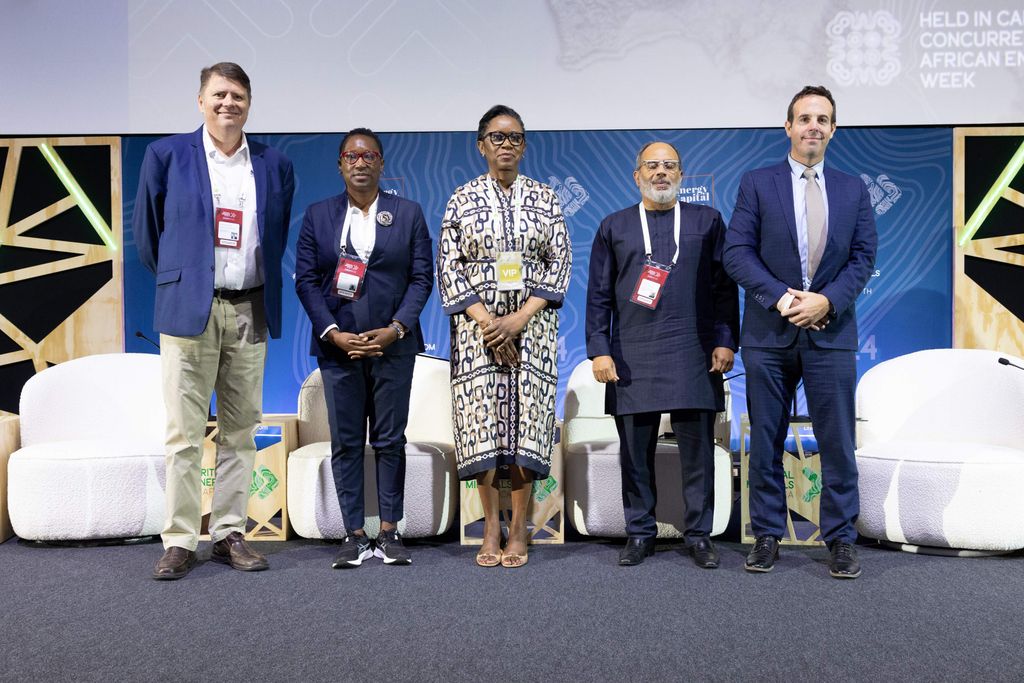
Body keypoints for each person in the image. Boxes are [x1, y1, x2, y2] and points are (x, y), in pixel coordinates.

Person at [133, 62, 295, 580]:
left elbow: (274, 237)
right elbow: (148, 237)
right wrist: (187, 281)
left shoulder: (273, 164)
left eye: (238, 96)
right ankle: (180, 539)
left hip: (250, 307)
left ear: (249, 104)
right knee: (183, 433)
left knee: (240, 430)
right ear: (201, 101)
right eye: (219, 94)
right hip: (188, 309)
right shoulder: (166, 155)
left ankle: (228, 533)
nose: (229, 104)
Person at [723, 85, 878, 579]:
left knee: (837, 443)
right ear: (788, 126)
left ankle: (841, 539)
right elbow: (737, 253)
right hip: (769, 335)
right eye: (805, 118)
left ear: (833, 129)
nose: (814, 126)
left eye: (822, 119)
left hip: (832, 333)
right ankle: (767, 534)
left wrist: (827, 301)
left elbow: (863, 257)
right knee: (765, 441)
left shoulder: (853, 189)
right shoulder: (757, 183)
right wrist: (785, 298)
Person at [586, 142, 739, 567]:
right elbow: (598, 295)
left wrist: (725, 339)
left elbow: (724, 288)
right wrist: (599, 350)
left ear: (681, 176)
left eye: (669, 166)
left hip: (695, 351)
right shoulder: (614, 226)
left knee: (698, 454)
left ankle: (699, 535)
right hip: (632, 354)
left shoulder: (707, 221)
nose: (661, 173)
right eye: (652, 166)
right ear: (637, 176)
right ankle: (639, 532)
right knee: (635, 455)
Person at [437, 105, 571, 568]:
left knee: (525, 428)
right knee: (485, 429)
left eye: (514, 137)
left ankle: (519, 531)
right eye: (497, 137)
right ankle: (491, 528)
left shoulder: (546, 198)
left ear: (524, 146)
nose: (506, 145)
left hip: (534, 332)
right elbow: (449, 266)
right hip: (476, 334)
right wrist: (488, 322)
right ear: (481, 146)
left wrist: (519, 319)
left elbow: (560, 262)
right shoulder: (461, 199)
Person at [295, 128, 433, 568]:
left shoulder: (408, 213)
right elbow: (306, 281)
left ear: (381, 163)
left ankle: (390, 531)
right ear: (340, 164)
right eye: (351, 156)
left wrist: (396, 328)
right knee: (347, 442)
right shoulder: (318, 215)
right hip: (339, 350)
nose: (360, 162)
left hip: (393, 347)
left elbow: (422, 278)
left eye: (369, 155)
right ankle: (353, 534)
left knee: (390, 440)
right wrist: (333, 332)